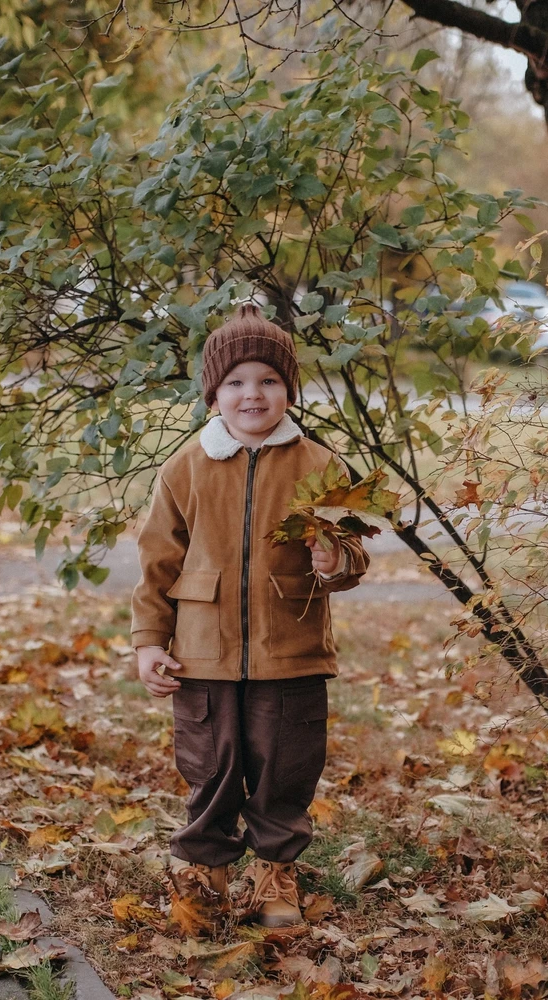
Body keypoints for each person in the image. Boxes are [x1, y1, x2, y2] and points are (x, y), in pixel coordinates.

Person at [130, 304, 370, 927]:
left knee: (285, 764)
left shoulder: (319, 465)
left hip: (289, 647)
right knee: (210, 764)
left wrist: (332, 558)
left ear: (288, 390)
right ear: (214, 394)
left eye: (267, 380)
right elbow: (159, 559)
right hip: (202, 649)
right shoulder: (184, 467)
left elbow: (352, 556)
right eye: (236, 382)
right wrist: (149, 641)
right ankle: (207, 871)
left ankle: (274, 873)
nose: (252, 394)